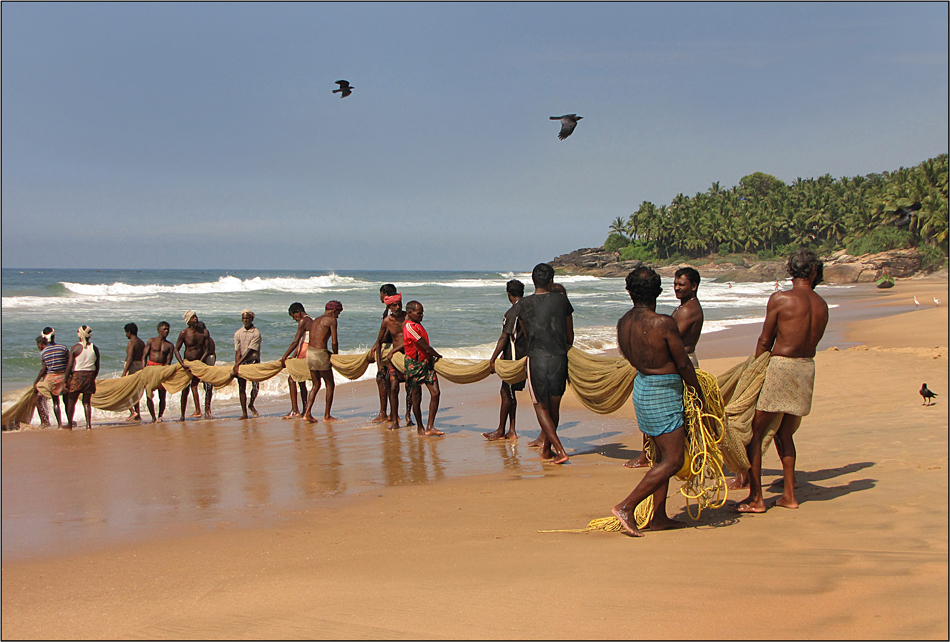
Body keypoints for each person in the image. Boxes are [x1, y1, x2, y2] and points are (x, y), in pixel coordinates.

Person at [612, 267, 706, 536]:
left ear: (629, 292)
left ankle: (659, 516)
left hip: (642, 387)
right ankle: (626, 507)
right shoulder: (663, 323)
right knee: (674, 460)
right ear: (659, 290)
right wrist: (698, 394)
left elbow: (632, 357)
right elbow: (684, 364)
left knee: (660, 457)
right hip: (663, 392)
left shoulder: (623, 323)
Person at [736, 248, 828, 513]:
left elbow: (766, 340)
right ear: (813, 271)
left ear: (790, 270)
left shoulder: (781, 299)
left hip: (781, 367)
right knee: (785, 433)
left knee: (755, 432)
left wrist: (753, 371)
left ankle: (756, 498)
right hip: (806, 368)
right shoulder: (821, 304)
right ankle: (789, 495)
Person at [626, 267, 704, 468]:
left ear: (694, 287)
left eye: (682, 284)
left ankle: (658, 456)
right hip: (676, 361)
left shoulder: (688, 309)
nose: (677, 288)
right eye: (675, 284)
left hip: (682, 362)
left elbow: (671, 338)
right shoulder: (683, 307)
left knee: (672, 415)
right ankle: (653, 454)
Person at [505, 264, 573, 463]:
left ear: (533, 281)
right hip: (559, 357)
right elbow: (570, 336)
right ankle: (547, 450)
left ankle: (559, 451)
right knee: (554, 407)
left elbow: (526, 335)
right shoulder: (562, 301)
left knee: (541, 407)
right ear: (551, 281)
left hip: (537, 359)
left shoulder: (523, 305)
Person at [485, 279, 527, 441]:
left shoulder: (512, 312)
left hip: (514, 359)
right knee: (511, 393)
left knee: (506, 392)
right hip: (527, 357)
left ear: (509, 294)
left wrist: (493, 358)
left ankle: (502, 430)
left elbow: (505, 336)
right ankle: (511, 429)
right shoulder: (529, 308)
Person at [403, 301, 444, 436]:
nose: (422, 315)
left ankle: (430, 426)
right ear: (410, 313)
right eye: (419, 313)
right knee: (416, 397)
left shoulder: (417, 325)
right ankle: (420, 427)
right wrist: (437, 355)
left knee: (435, 393)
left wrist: (431, 358)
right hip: (414, 365)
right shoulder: (409, 327)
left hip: (426, 363)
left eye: (422, 313)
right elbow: (424, 346)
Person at [301, 301, 343, 423]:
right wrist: (336, 356)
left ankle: (307, 413)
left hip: (310, 353)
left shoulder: (316, 320)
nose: (338, 316)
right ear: (334, 311)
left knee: (316, 385)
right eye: (338, 313)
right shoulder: (331, 320)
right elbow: (334, 341)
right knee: (330, 384)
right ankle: (327, 415)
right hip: (320, 354)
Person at [374, 294, 409, 431]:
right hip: (395, 359)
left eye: (400, 304)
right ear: (389, 307)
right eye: (394, 305)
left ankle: (409, 416)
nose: (398, 307)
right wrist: (379, 365)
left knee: (411, 388)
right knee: (393, 387)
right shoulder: (387, 321)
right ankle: (395, 419)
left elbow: (411, 339)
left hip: (408, 356)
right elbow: (378, 343)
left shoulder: (407, 317)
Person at [174, 310, 211, 420]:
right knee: (185, 389)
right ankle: (182, 415)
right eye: (192, 317)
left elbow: (207, 349)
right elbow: (176, 349)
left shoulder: (204, 332)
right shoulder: (184, 333)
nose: (195, 319)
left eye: (195, 316)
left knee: (202, 385)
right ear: (188, 321)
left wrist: (200, 362)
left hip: (200, 364)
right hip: (187, 364)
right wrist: (182, 363)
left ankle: (204, 410)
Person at [64, 325, 100, 430]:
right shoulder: (95, 348)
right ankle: (88, 425)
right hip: (90, 376)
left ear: (79, 334)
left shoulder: (75, 348)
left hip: (77, 376)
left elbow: (70, 366)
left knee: (72, 401)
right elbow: (97, 365)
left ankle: (70, 424)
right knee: (86, 402)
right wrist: (93, 377)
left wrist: (66, 379)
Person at [279, 302, 311, 419]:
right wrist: (293, 356)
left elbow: (295, 341)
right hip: (305, 351)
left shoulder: (304, 321)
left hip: (305, 352)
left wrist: (284, 357)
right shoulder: (311, 320)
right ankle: (305, 409)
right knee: (301, 381)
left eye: (294, 316)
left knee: (292, 379)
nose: (294, 319)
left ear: (298, 312)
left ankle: (295, 410)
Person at [371, 284, 397, 423]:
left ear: (385, 294)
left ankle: (384, 413)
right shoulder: (396, 308)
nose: (380, 297)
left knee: (382, 378)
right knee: (391, 379)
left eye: (380, 294)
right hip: (395, 347)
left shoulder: (389, 311)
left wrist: (377, 344)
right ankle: (393, 413)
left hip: (388, 347)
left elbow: (386, 330)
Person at [33, 330, 69, 428]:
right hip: (64, 377)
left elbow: (44, 369)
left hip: (52, 379)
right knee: (66, 401)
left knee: (56, 402)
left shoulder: (44, 352)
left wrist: (36, 381)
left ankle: (60, 425)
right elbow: (69, 363)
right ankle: (70, 422)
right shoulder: (63, 348)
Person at [232, 310, 262, 420]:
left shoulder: (256, 333)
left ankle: (251, 404)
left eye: (247, 318)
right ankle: (244, 412)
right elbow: (238, 351)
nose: (245, 320)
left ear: (252, 319)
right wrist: (237, 364)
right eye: (243, 318)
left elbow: (250, 350)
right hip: (242, 363)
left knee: (255, 386)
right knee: (241, 387)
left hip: (253, 362)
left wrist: (238, 363)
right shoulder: (238, 333)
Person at [142, 321, 174, 422]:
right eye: (164, 329)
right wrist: (144, 369)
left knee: (162, 395)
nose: (166, 331)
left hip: (162, 369)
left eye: (168, 329)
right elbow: (144, 356)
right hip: (151, 368)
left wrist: (165, 372)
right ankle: (153, 417)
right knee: (149, 393)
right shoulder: (151, 341)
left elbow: (168, 361)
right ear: (158, 330)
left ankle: (160, 416)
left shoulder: (170, 346)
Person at [121, 323, 146, 420]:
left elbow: (130, 358)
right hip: (140, 366)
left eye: (126, 332)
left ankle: (132, 411)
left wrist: (124, 372)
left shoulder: (131, 342)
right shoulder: (141, 342)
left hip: (133, 367)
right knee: (136, 392)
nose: (125, 335)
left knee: (126, 390)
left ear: (129, 332)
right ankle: (137, 414)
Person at [194, 321, 216, 418]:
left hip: (205, 360)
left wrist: (199, 362)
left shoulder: (203, 338)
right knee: (208, 385)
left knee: (195, 384)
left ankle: (199, 409)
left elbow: (205, 351)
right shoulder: (210, 338)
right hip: (211, 358)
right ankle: (207, 409)